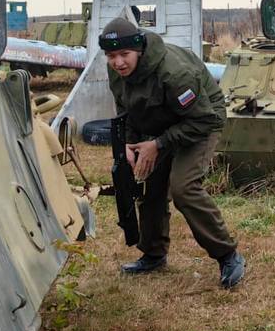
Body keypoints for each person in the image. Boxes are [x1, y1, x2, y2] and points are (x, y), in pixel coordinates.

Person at [99, 17, 245, 289]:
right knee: (149, 184)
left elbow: (202, 119)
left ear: (139, 50)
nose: (118, 62)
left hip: (201, 120)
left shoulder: (174, 73)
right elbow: (126, 110)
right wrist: (130, 146)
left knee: (183, 188)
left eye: (124, 54)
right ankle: (153, 254)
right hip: (160, 124)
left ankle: (228, 255)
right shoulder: (117, 73)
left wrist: (159, 144)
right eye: (111, 56)